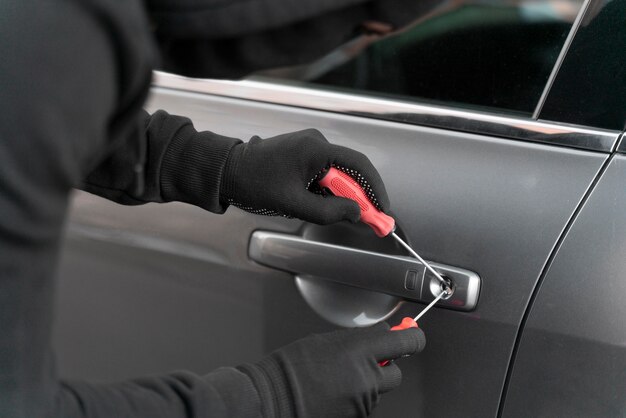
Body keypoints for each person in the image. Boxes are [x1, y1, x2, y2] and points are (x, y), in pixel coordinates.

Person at [1, 1, 438, 417]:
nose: (339, 49)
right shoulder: (51, 39)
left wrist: (216, 167)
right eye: (360, 28)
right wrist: (272, 399)